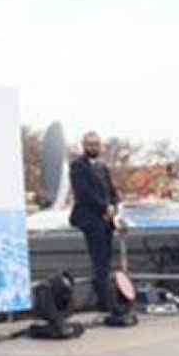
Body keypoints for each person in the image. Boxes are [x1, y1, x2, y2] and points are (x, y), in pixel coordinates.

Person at [68, 131, 121, 314]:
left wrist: (113, 206)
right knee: (99, 259)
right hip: (90, 218)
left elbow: (112, 191)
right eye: (90, 144)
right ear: (84, 146)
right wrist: (104, 207)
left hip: (106, 219)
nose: (94, 148)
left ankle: (105, 298)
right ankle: (106, 301)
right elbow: (83, 193)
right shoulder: (77, 166)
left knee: (106, 259)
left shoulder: (102, 167)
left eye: (97, 144)